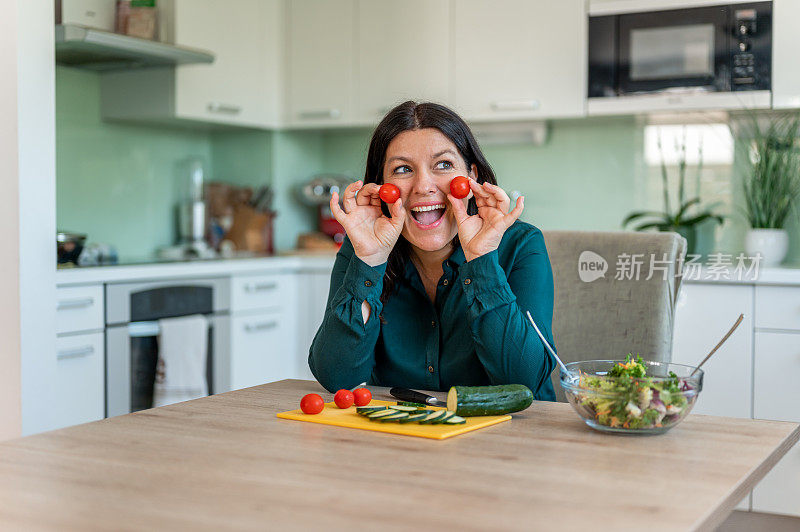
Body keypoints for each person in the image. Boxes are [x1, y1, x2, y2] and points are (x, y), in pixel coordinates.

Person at [308, 101, 556, 401]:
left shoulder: (521, 244)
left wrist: (481, 259)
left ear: (473, 177)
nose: (424, 186)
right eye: (403, 169)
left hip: (513, 439)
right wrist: (369, 260)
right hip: (407, 437)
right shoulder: (364, 247)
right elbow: (337, 376)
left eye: (444, 165)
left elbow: (525, 381)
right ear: (381, 185)